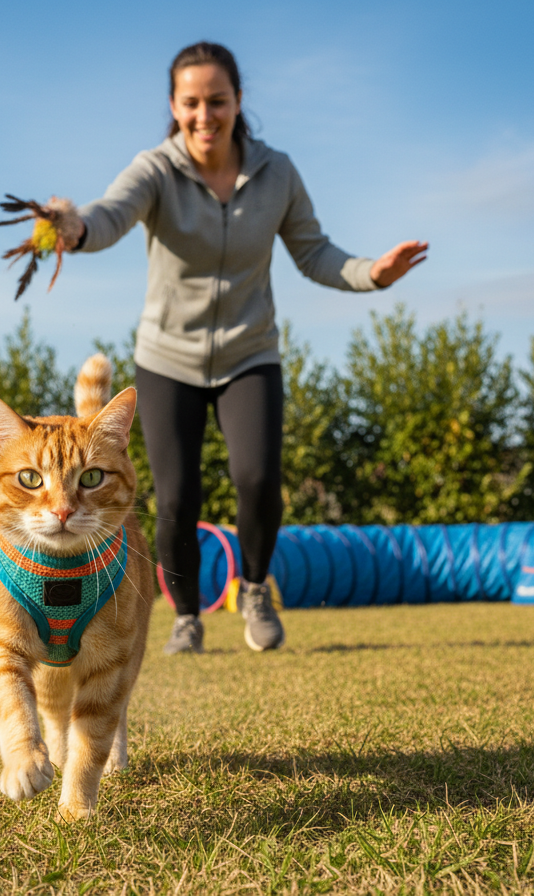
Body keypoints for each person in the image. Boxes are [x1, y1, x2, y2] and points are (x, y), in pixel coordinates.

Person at [64, 41, 427, 654]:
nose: (204, 116)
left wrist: (373, 273)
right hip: (166, 358)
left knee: (257, 478)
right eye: (191, 103)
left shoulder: (276, 172)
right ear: (174, 107)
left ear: (238, 102)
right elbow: (108, 216)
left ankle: (255, 587)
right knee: (176, 496)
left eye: (217, 101)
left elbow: (313, 251)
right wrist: (74, 229)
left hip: (250, 353)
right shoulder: (155, 169)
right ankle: (185, 616)